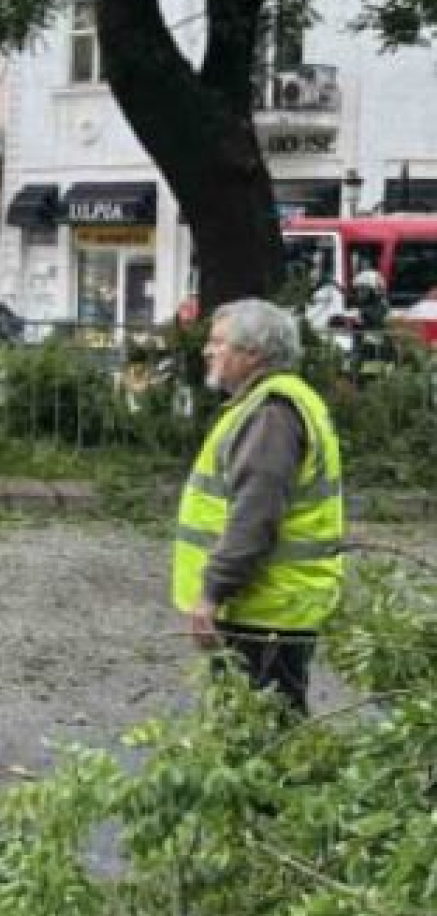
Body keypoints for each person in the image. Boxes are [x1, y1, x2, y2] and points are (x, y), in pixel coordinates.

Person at [173, 298, 344, 713]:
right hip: (270, 607)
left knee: (263, 736)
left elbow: (254, 515)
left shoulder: (271, 414)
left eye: (219, 343)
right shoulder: (273, 404)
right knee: (259, 729)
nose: (207, 350)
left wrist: (212, 592)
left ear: (253, 354)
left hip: (265, 609)